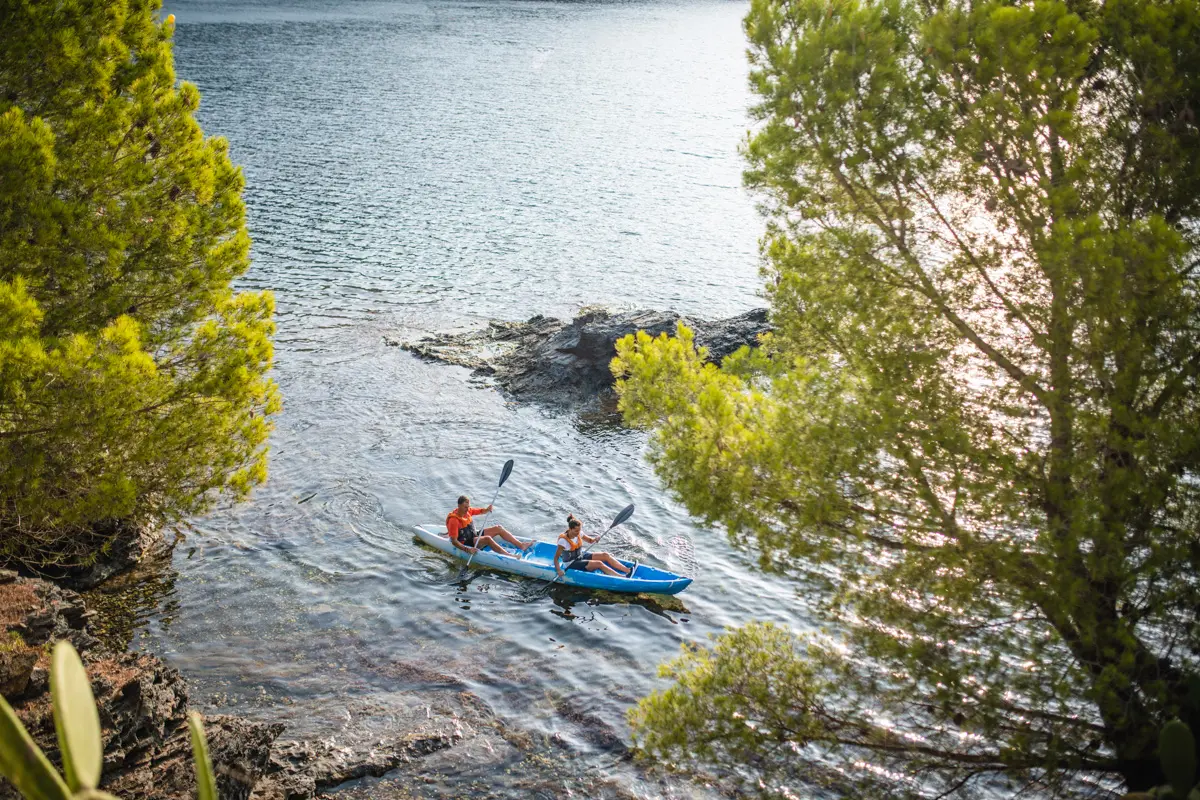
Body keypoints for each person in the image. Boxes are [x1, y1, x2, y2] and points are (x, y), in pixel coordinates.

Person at [446, 495, 531, 556]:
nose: (467, 509)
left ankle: (521, 545)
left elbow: (480, 511)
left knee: (498, 528)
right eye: (465, 507)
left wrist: (487, 509)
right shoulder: (454, 520)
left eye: (468, 507)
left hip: (474, 536)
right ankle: (508, 556)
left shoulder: (468, 511)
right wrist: (468, 550)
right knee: (488, 539)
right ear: (459, 506)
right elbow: (454, 541)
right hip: (467, 543)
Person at [553, 514, 631, 578]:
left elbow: (590, 540)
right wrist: (559, 570)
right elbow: (556, 558)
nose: (578, 532)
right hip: (571, 563)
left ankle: (628, 570)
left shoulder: (579, 533)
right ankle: (621, 577)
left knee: (605, 555)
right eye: (576, 531)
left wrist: (595, 539)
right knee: (599, 563)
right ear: (570, 529)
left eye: (579, 530)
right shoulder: (563, 541)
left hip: (580, 556)